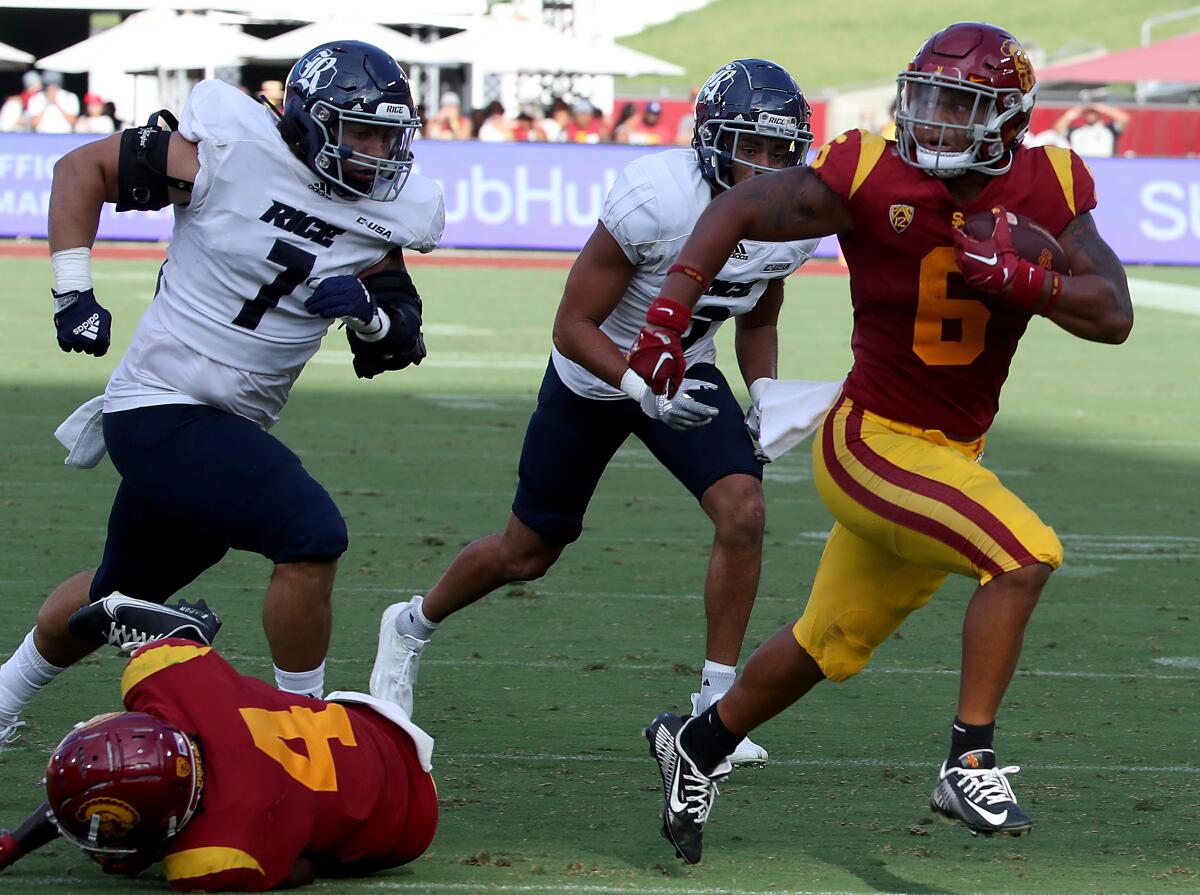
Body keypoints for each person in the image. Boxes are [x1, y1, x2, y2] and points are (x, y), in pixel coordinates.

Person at [630, 22, 1133, 863]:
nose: (933, 119)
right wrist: (669, 309)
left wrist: (1031, 281)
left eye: (959, 103)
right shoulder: (871, 168)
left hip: (949, 454)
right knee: (1023, 554)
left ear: (1008, 119)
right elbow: (743, 204)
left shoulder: (1049, 184)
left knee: (829, 641)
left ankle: (699, 744)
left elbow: (1111, 310)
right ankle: (968, 756)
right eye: (927, 97)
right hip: (871, 442)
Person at [369, 59, 820, 769]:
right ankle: (410, 625)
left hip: (687, 368)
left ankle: (715, 710)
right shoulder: (658, 197)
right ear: (709, 139)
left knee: (745, 510)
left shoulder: (793, 216)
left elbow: (757, 316)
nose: (765, 166)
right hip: (597, 375)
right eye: (749, 146)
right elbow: (572, 323)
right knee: (527, 551)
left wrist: (763, 390)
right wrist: (643, 388)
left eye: (779, 151)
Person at [0, 40, 444, 748]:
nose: (379, 150)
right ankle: (305, 732)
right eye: (362, 131)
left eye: (390, 133)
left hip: (226, 429)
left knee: (115, 592)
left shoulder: (387, 212)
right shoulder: (232, 147)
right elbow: (81, 168)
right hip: (160, 404)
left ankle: (1, 694)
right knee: (312, 533)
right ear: (309, 120)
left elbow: (400, 340)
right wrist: (72, 292)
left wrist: (370, 314)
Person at [0, 608, 438, 890]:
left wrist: (152, 847)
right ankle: (183, 629)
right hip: (362, 724)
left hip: (407, 824)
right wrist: (14, 843)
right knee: (164, 665)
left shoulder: (212, 857)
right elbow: (114, 778)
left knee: (311, 844)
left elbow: (301, 868)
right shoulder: (170, 684)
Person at [1055, 102, 1130, 157]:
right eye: (1088, 113)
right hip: (1083, 168)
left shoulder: (1109, 129)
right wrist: (1075, 111)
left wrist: (1099, 107)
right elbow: (1058, 128)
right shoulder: (1077, 132)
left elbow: (1124, 118)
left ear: (1098, 113)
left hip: (1106, 166)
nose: (1090, 115)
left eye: (1093, 113)